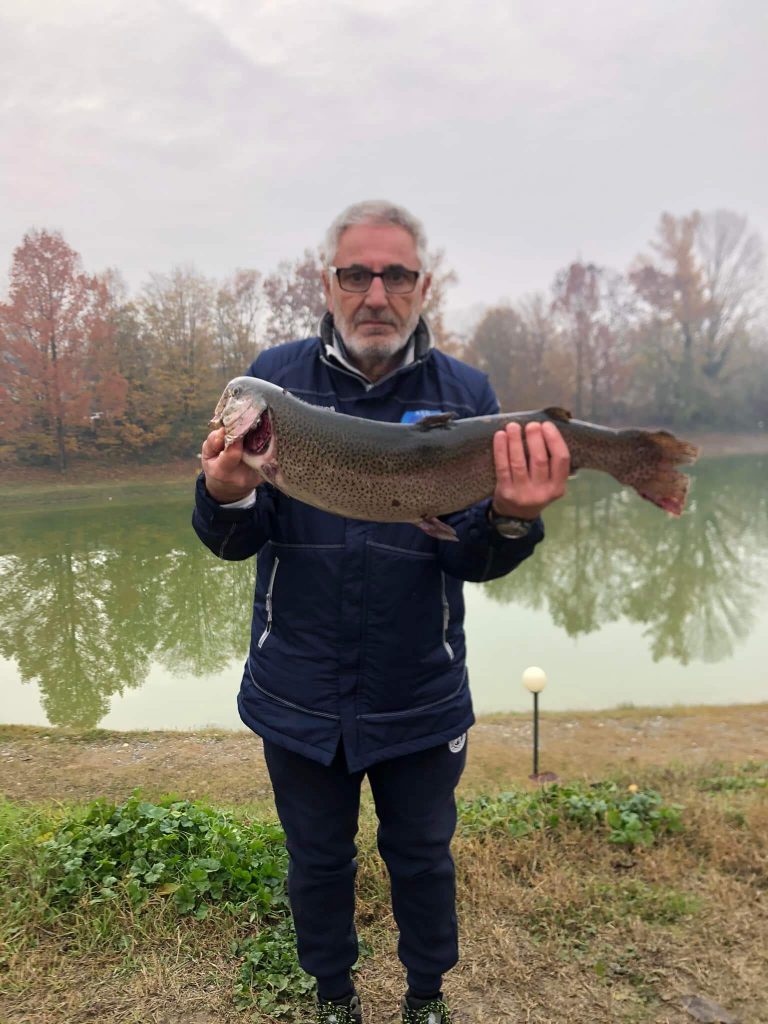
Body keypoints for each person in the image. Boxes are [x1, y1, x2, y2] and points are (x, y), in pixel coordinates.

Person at [193, 200, 570, 1024]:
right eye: (356, 274)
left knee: (424, 861)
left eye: (395, 275)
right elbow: (233, 541)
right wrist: (221, 495)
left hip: (421, 696)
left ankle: (426, 996)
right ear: (328, 283)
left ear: (422, 286)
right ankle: (334, 998)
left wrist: (511, 515)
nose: (376, 292)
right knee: (317, 864)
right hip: (296, 695)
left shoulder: (466, 393)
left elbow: (473, 558)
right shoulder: (274, 381)